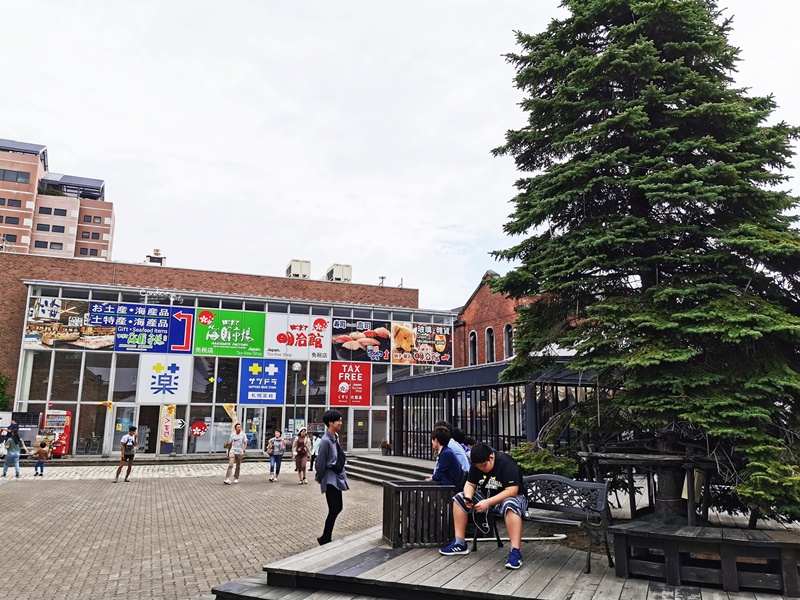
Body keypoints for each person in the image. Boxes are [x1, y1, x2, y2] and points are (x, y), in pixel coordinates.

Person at [439, 442, 528, 570]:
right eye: (478, 467)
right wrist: (468, 498)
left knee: (510, 505)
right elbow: (470, 484)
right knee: (459, 498)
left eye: (483, 466)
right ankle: (459, 543)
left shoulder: (507, 463)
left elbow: (512, 491)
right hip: (488, 497)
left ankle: (515, 552)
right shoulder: (477, 465)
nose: (481, 469)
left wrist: (487, 502)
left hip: (514, 497)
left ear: (491, 457)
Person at [315, 409, 349, 545]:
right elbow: (321, 461)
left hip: (336, 477)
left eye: (341, 420)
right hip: (330, 479)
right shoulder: (325, 441)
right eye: (338, 420)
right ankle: (325, 538)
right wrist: (319, 476)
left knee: (338, 507)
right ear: (330, 423)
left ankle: (325, 537)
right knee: (335, 508)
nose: (341, 423)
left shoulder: (335, 438)